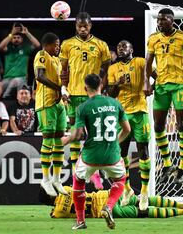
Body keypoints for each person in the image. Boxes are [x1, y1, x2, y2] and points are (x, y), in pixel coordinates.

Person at [144, 8, 183, 183]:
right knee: (158, 126)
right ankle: (166, 163)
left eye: (163, 19)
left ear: (171, 20)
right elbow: (148, 63)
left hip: (180, 85)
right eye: (158, 19)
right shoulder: (153, 39)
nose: (159, 22)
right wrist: (146, 82)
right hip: (162, 86)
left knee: (181, 125)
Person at [61, 74, 131, 230]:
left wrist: (65, 141)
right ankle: (109, 206)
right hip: (112, 156)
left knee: (78, 181)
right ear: (101, 85)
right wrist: (114, 142)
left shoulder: (83, 107)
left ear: (86, 88)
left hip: (90, 156)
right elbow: (127, 130)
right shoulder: (115, 103)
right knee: (120, 179)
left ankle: (80, 221)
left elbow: (78, 135)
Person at [59, 12, 111, 188]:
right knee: (75, 133)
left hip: (91, 95)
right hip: (73, 94)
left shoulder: (101, 45)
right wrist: (63, 88)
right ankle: (77, 172)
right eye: (79, 26)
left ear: (90, 26)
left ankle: (95, 172)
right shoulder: (67, 45)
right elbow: (63, 71)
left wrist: (99, 84)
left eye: (85, 25)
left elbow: (106, 67)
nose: (82, 28)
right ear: (75, 26)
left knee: (93, 133)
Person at [107, 40, 151, 210]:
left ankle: (145, 193)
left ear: (132, 49)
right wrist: (117, 83)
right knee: (121, 153)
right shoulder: (112, 68)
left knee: (143, 152)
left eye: (124, 47)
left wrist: (150, 86)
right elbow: (110, 93)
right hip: (122, 115)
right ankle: (127, 189)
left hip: (140, 112)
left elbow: (156, 74)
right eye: (118, 47)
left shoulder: (140, 62)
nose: (121, 49)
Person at [34, 32, 67, 197]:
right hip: (45, 102)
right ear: (47, 45)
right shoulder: (42, 55)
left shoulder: (57, 59)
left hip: (59, 103)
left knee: (59, 140)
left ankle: (56, 179)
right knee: (48, 139)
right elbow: (39, 76)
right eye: (56, 44)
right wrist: (58, 88)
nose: (58, 47)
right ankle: (45, 179)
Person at [45, 186, 183, 219]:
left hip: (108, 211)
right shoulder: (65, 189)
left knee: (144, 212)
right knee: (143, 200)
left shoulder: (57, 213)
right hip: (109, 196)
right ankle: (182, 205)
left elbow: (55, 214)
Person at [0, 23, 40, 99]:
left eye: (18, 37)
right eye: (14, 38)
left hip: (21, 78)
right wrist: (11, 33)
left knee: (15, 81)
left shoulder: (25, 49)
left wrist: (27, 33)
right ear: (11, 39)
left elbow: (37, 45)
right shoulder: (8, 49)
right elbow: (1, 46)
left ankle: (5, 96)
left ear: (22, 39)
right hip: (7, 78)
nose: (16, 39)